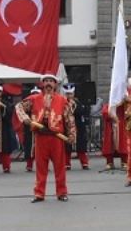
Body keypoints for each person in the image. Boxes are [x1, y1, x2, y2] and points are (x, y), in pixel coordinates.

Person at [16, 73, 76, 202]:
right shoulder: (34, 99)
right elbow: (18, 106)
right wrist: (25, 118)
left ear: (55, 84)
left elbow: (69, 119)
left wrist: (71, 134)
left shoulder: (62, 100)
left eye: (51, 81)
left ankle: (61, 192)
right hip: (41, 136)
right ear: (43, 84)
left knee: (60, 166)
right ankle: (39, 193)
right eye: (46, 81)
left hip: (57, 137)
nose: (48, 83)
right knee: (41, 167)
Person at [62, 84, 90, 170]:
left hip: (78, 126)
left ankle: (84, 163)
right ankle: (67, 164)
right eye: (67, 94)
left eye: (70, 93)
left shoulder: (78, 102)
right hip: (66, 127)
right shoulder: (62, 102)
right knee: (67, 146)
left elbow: (82, 112)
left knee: (81, 145)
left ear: (73, 93)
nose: (69, 95)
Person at [101, 102, 128, 170]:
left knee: (123, 143)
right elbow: (104, 112)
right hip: (110, 126)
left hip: (121, 126)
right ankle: (109, 162)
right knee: (109, 144)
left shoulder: (124, 105)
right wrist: (111, 115)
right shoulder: (109, 104)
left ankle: (124, 162)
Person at [22, 85, 41, 171]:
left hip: (41, 129)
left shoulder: (44, 103)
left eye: (37, 94)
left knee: (41, 148)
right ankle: (29, 165)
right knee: (29, 147)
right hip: (29, 129)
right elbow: (21, 113)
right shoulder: (27, 105)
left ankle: (42, 165)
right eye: (33, 94)